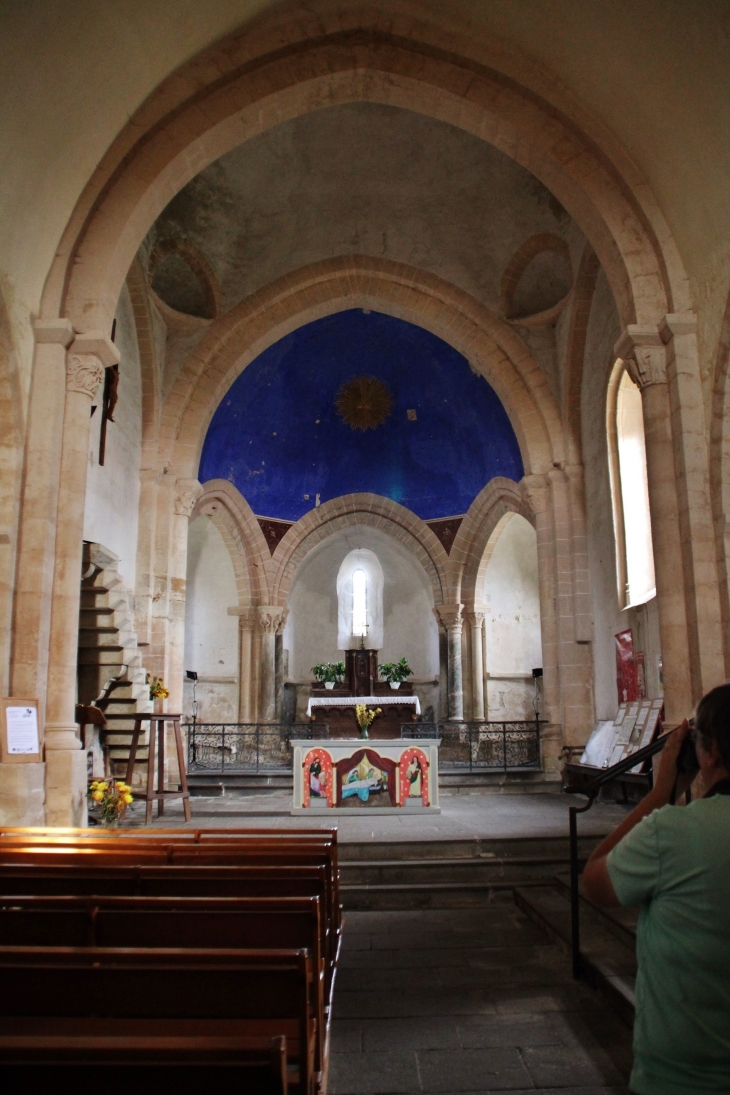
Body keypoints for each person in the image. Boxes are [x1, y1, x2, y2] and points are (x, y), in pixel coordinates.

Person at [582, 684, 730, 1095]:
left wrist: (660, 794)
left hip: (683, 1077)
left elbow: (595, 881)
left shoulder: (674, 833)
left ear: (709, 752)